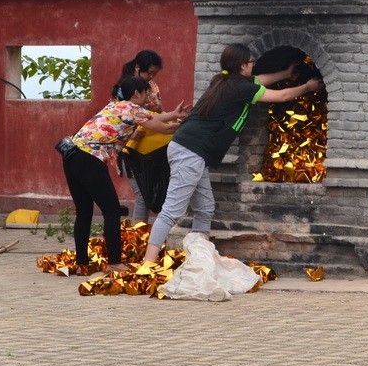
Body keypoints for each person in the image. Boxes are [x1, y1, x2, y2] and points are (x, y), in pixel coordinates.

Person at [141, 43, 323, 263]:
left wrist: (286, 73)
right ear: (242, 65)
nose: (254, 66)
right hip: (190, 151)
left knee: (206, 208)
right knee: (172, 211)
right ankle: (147, 265)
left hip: (192, 151)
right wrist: (307, 87)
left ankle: (200, 260)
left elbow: (261, 81)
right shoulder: (239, 88)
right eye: (251, 63)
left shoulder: (224, 81)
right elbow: (283, 95)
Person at [62, 75, 185, 272]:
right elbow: (162, 129)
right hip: (91, 158)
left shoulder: (115, 106)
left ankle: (81, 263)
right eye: (146, 94)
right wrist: (187, 124)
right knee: (111, 211)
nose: (147, 98)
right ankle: (114, 262)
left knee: (84, 212)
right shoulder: (132, 109)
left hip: (71, 155)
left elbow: (151, 118)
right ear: (137, 93)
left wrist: (172, 114)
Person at [111, 50, 189, 222]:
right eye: (149, 72)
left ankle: (144, 236)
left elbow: (156, 114)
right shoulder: (125, 89)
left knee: (152, 190)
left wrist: (173, 116)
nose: (152, 77)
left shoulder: (152, 86)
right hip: (132, 147)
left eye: (155, 73)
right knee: (142, 193)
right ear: (138, 68)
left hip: (154, 147)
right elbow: (123, 121)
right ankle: (138, 237)